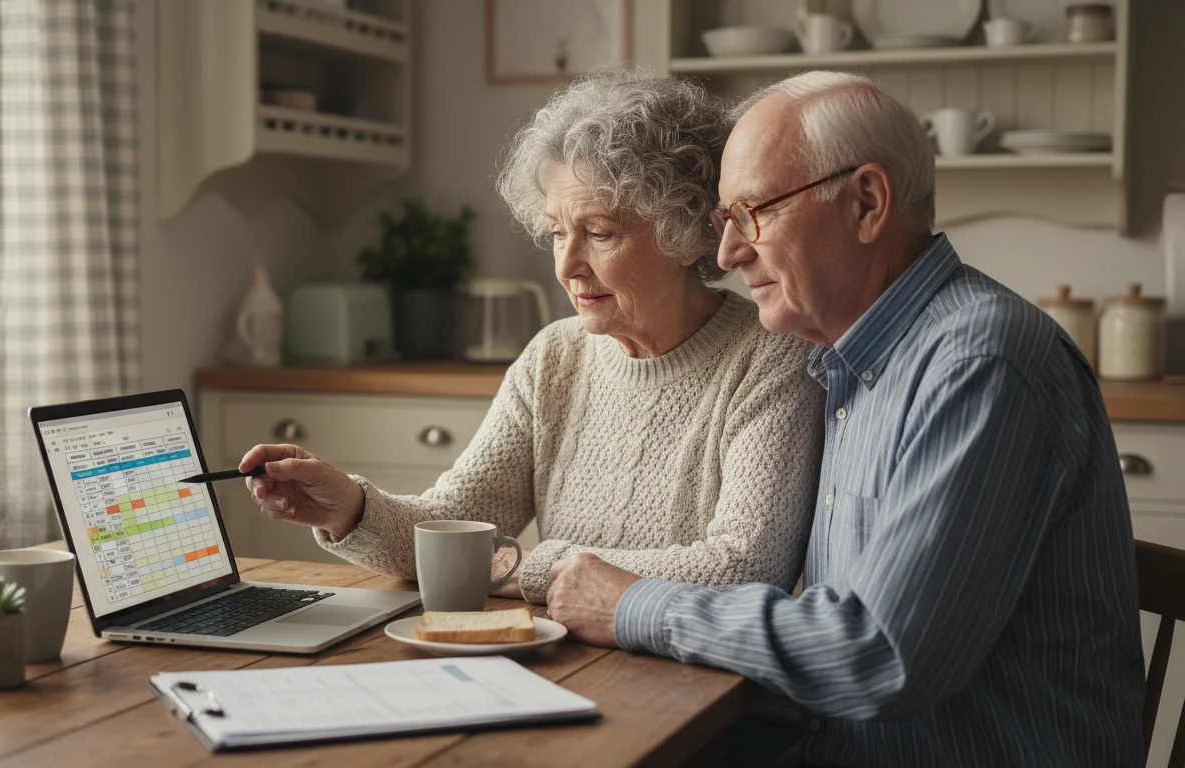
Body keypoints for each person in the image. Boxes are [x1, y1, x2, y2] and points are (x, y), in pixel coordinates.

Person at [545, 70, 1145, 767]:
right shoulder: (850, 362)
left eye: (751, 213)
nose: (728, 253)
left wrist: (631, 604)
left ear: (866, 202)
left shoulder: (980, 365)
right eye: (723, 222)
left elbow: (878, 654)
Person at [237, 69, 824, 605]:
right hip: (563, 667)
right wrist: (351, 509)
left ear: (687, 233)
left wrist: (526, 568)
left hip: (699, 698)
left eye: (598, 233)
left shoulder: (770, 355)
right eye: (555, 233)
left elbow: (744, 568)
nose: (567, 265)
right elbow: (453, 524)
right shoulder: (555, 356)